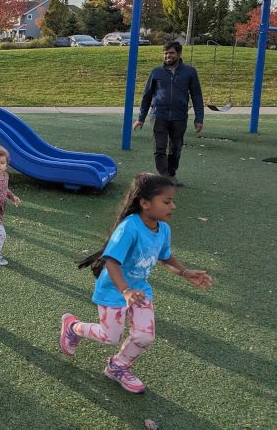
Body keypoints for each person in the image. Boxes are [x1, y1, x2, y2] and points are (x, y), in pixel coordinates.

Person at [59, 173, 213, 394]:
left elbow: (165, 256)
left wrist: (184, 272)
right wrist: (125, 290)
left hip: (139, 291)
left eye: (173, 201)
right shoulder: (129, 228)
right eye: (167, 201)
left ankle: (118, 366)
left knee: (144, 335)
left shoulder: (163, 228)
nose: (173, 206)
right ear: (145, 203)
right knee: (110, 336)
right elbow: (111, 262)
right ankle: (73, 327)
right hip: (114, 290)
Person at [133, 41, 204, 186]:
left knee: (176, 148)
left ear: (179, 54)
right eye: (165, 53)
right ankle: (164, 176)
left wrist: (199, 118)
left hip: (179, 117)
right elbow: (147, 96)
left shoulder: (190, 72)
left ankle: (171, 174)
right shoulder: (156, 72)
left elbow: (196, 95)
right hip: (159, 115)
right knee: (159, 148)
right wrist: (141, 118)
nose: (167, 56)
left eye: (171, 53)